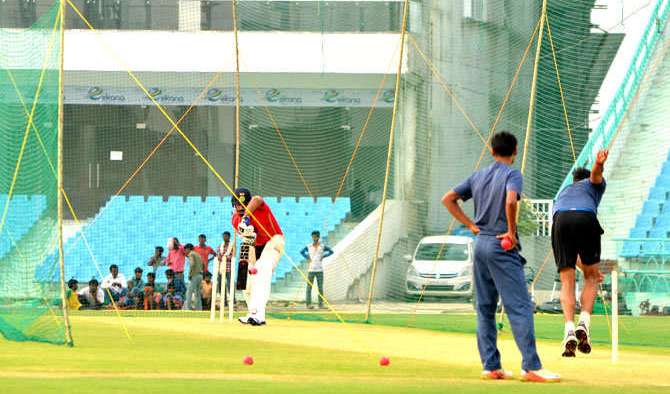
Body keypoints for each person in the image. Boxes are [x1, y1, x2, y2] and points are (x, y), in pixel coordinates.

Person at [442, 131, 560, 383]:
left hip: (481, 243)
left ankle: (491, 366)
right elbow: (510, 201)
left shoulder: (478, 175)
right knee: (519, 306)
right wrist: (510, 230)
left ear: (492, 151)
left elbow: (448, 199)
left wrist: (470, 225)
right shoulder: (512, 173)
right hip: (500, 243)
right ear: (515, 151)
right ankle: (531, 366)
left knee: (485, 308)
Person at [552, 149, 609, 357]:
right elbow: (595, 175)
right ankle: (583, 323)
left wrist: (584, 265)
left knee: (567, 280)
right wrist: (599, 163)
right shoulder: (593, 185)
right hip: (586, 219)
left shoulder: (564, 193)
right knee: (591, 278)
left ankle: (569, 330)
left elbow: (571, 255)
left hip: (560, 220)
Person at [231, 188, 285, 326]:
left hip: (273, 240)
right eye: (237, 204)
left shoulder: (259, 207)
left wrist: (246, 218)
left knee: (262, 270)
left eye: (243, 204)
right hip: (253, 245)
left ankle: (258, 315)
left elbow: (258, 199)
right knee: (245, 281)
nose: (240, 207)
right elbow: (248, 241)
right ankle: (252, 312)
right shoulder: (235, 220)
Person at [300, 230, 334, 309]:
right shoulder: (309, 246)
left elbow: (331, 251)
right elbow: (302, 252)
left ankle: (321, 304)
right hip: (311, 270)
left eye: (316, 237)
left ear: (318, 237)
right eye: (313, 237)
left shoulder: (322, 246)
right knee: (309, 287)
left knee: (320, 287)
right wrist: (307, 257)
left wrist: (324, 256)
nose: (314, 238)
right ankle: (308, 304)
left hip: (319, 270)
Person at [183, 243, 204, 310]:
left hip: (194, 275)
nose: (185, 252)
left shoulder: (191, 254)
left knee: (189, 292)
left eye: (185, 250)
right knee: (197, 293)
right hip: (200, 275)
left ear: (188, 249)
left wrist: (190, 274)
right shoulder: (198, 255)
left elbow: (192, 264)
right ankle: (199, 309)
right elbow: (203, 265)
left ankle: (187, 308)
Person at [217, 231, 235, 306]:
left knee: (230, 285)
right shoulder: (220, 246)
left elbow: (232, 256)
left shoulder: (232, 246)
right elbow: (218, 254)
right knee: (221, 285)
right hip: (221, 269)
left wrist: (224, 257)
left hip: (229, 268)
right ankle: (224, 302)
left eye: (226, 236)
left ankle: (233, 301)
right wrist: (219, 256)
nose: (225, 237)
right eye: (223, 236)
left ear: (229, 237)